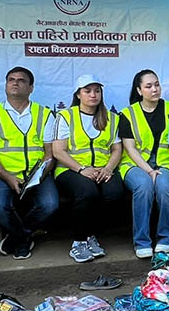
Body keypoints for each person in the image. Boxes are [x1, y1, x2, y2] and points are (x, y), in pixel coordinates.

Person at [0, 67, 58, 260]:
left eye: (21, 80)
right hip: (1, 174)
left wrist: (39, 176)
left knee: (50, 204)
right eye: (11, 80)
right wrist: (8, 177)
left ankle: (17, 236)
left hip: (36, 174)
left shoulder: (45, 114)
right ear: (5, 86)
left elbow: (50, 154)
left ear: (31, 88)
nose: (15, 83)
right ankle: (23, 237)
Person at [52, 74, 124, 263]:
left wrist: (108, 169)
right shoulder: (66, 116)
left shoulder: (111, 118)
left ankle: (91, 235)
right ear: (78, 95)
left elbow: (117, 149)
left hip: (102, 168)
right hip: (70, 169)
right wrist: (81, 169)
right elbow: (58, 151)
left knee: (114, 192)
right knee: (87, 191)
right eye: (87, 91)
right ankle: (78, 241)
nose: (93, 95)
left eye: (97, 91)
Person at [119, 69, 169, 258]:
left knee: (165, 188)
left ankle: (166, 238)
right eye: (148, 86)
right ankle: (142, 241)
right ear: (139, 90)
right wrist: (149, 171)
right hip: (135, 164)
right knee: (144, 186)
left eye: (157, 84)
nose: (154, 89)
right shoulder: (128, 113)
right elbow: (130, 148)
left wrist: (157, 170)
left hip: (166, 162)